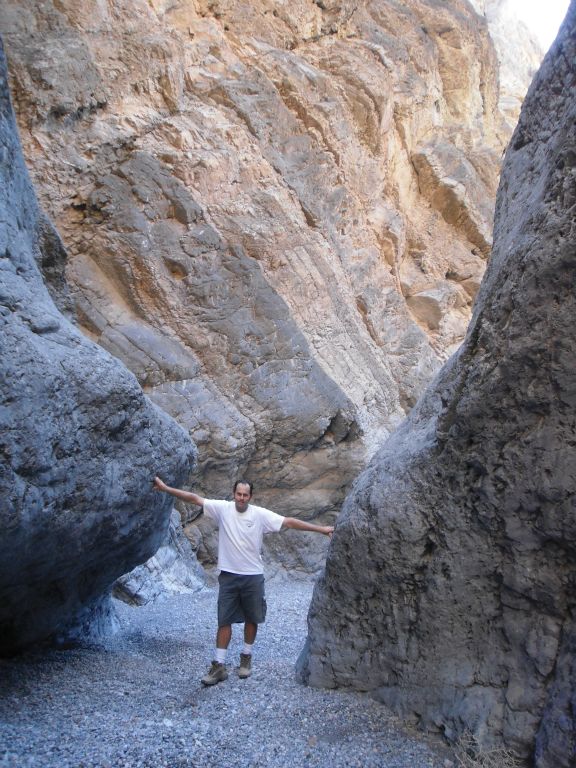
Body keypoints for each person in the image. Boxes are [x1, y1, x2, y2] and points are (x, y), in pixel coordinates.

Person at [153, 476, 334, 685]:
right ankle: (218, 665)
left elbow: (289, 522)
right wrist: (166, 488)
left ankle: (246, 658)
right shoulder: (223, 509)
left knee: (252, 617)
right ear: (233, 494)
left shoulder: (259, 514)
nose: (241, 498)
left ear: (250, 496)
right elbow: (194, 499)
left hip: (253, 576)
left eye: (245, 495)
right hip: (228, 576)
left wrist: (321, 530)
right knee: (224, 620)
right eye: (238, 494)